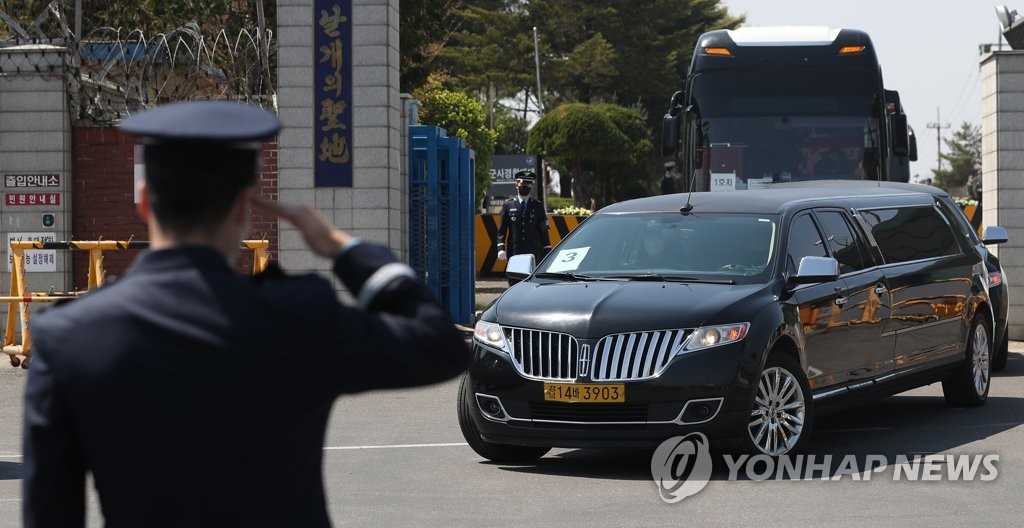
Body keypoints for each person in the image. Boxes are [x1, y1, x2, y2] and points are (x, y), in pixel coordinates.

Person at [22, 101, 471, 527]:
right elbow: (441, 346)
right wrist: (344, 248)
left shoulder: (68, 337)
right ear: (244, 207)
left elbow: (50, 513)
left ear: (143, 200)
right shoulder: (297, 315)